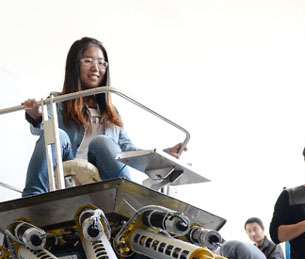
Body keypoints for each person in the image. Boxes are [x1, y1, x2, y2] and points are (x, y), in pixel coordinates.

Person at [21, 37, 183, 197]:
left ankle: (128, 197)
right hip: (67, 161)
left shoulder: (111, 113)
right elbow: (44, 128)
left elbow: (127, 151)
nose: (96, 68)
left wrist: (166, 154)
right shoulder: (58, 101)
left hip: (102, 169)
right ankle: (31, 196)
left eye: (101, 63)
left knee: (103, 141)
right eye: (88, 61)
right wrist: (37, 117)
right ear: (75, 65)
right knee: (56, 134)